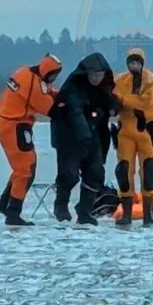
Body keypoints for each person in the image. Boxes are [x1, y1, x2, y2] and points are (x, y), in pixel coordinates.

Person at [0, 53, 63, 226]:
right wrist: (65, 103)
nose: (53, 79)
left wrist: (58, 93)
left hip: (7, 122)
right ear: (46, 71)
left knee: (23, 167)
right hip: (14, 125)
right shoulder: (33, 85)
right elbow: (53, 111)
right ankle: (13, 212)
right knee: (25, 170)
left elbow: (44, 90)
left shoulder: (24, 72)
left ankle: (5, 203)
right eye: (53, 75)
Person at [48, 52, 119, 225]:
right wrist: (84, 135)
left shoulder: (103, 90)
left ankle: (85, 212)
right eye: (93, 75)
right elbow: (75, 112)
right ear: (86, 73)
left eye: (100, 75)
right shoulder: (73, 88)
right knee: (69, 174)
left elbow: (110, 102)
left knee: (95, 173)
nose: (96, 78)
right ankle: (61, 206)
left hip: (94, 136)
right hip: (70, 138)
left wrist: (113, 108)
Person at [111, 48, 153, 226]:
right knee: (124, 170)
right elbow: (113, 98)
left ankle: (148, 214)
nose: (133, 65)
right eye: (130, 62)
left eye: (136, 62)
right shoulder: (120, 80)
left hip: (147, 130)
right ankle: (126, 213)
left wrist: (124, 100)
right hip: (125, 131)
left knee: (149, 169)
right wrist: (122, 100)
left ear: (142, 63)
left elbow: (146, 102)